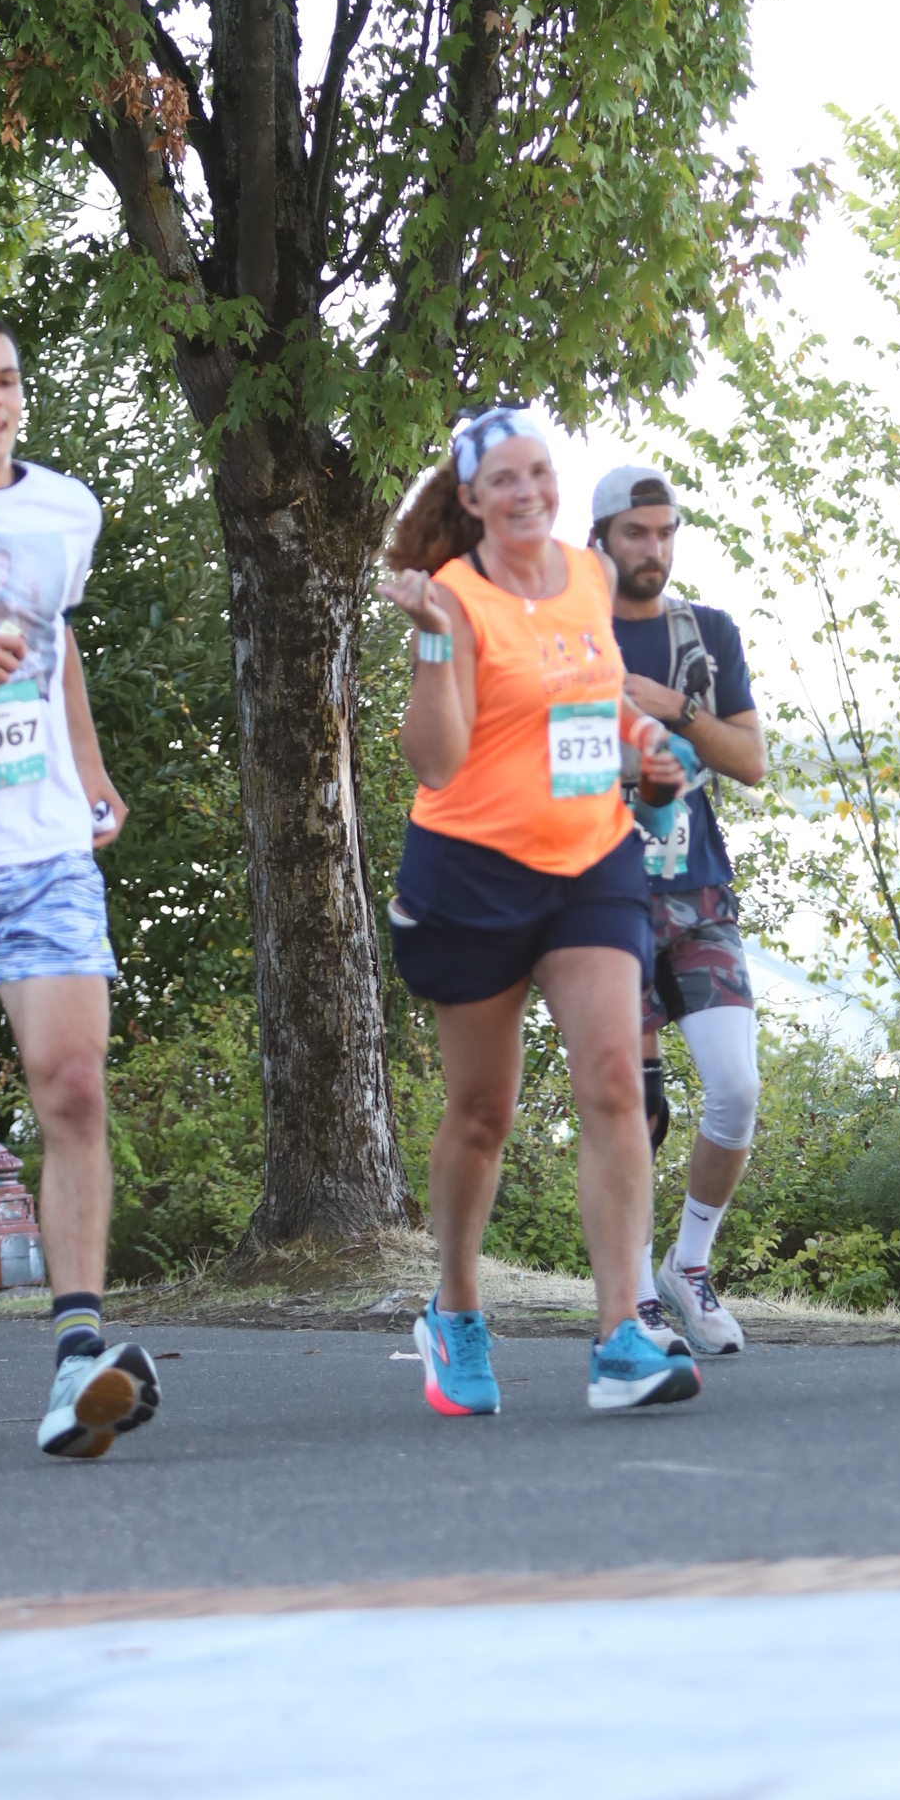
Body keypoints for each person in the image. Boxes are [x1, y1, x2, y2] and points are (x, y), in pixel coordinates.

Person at [383, 405, 699, 1418]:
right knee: (484, 1112)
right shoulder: (454, 595)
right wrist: (436, 642)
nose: (528, 492)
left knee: (613, 1080)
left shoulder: (589, 575)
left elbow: (589, 700)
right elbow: (436, 760)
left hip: (590, 858)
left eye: (539, 473)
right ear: (472, 499)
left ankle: (620, 1336)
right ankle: (456, 1308)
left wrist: (641, 745)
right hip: (472, 873)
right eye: (505, 480)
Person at [0, 309, 155, 1460]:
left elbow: (58, 648)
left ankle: (78, 1356)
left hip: (40, 853)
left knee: (75, 1087)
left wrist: (90, 772)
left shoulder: (64, 511)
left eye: (3, 380)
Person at [590, 465, 768, 1360]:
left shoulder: (707, 633)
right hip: (598, 893)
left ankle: (687, 1267)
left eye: (665, 532)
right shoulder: (571, 634)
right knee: (638, 1105)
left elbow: (752, 761)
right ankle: (632, 1299)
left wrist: (679, 711)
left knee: (737, 1089)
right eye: (636, 533)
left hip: (697, 891)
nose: (653, 548)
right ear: (599, 539)